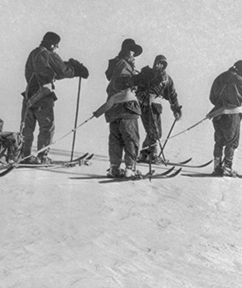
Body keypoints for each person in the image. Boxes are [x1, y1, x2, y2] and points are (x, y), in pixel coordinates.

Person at [20, 31, 89, 164]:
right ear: (52, 44)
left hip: (28, 96)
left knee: (27, 128)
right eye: (57, 45)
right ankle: (42, 157)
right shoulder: (48, 54)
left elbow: (46, 69)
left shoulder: (34, 53)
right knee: (46, 127)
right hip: (43, 96)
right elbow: (62, 71)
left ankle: (24, 155)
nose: (57, 48)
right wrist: (75, 71)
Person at [103, 38, 161, 178]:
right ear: (127, 51)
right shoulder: (124, 64)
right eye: (132, 52)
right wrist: (139, 78)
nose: (133, 56)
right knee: (131, 138)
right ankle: (130, 169)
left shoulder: (117, 64)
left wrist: (143, 79)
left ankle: (114, 168)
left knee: (116, 139)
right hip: (126, 108)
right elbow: (122, 82)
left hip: (113, 109)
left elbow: (120, 83)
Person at [209, 60, 242, 176]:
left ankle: (217, 167)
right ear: (241, 70)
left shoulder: (220, 77)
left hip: (217, 114)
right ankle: (227, 168)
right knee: (232, 141)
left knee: (219, 141)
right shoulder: (237, 78)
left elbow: (212, 97)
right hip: (231, 114)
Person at [135, 55, 182, 164]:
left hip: (156, 106)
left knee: (156, 132)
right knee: (154, 131)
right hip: (145, 104)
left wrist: (176, 109)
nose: (159, 66)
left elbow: (171, 94)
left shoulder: (166, 79)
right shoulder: (147, 73)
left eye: (162, 64)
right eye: (158, 63)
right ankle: (152, 154)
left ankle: (145, 153)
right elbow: (136, 83)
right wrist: (141, 92)